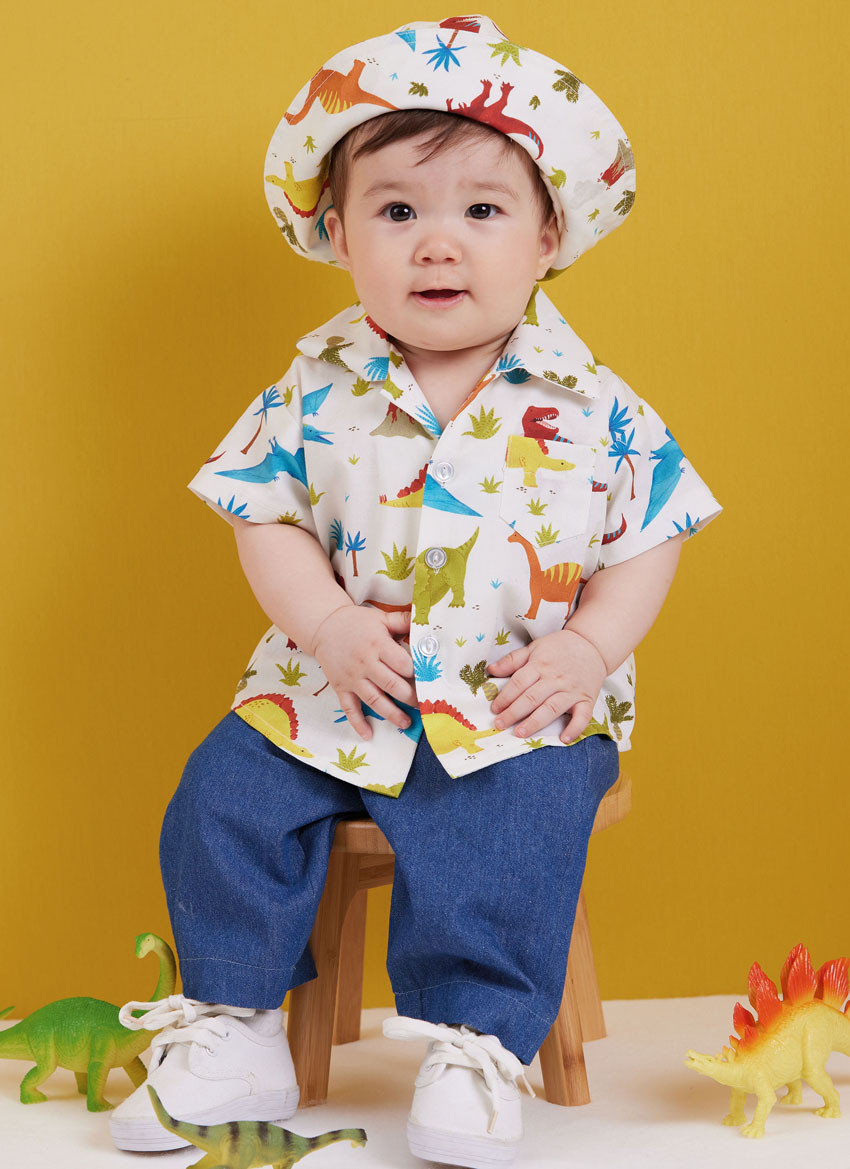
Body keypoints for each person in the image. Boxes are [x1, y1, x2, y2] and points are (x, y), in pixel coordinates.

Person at [109, 14, 722, 1167]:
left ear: (548, 235)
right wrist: (327, 623)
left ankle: (474, 1039)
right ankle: (233, 1023)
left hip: (515, 698)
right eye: (397, 212)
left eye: (482, 211)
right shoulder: (314, 385)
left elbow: (650, 536)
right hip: (337, 688)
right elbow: (263, 513)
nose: (438, 245)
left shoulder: (594, 404)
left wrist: (588, 650)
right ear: (338, 233)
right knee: (224, 796)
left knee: (509, 823)